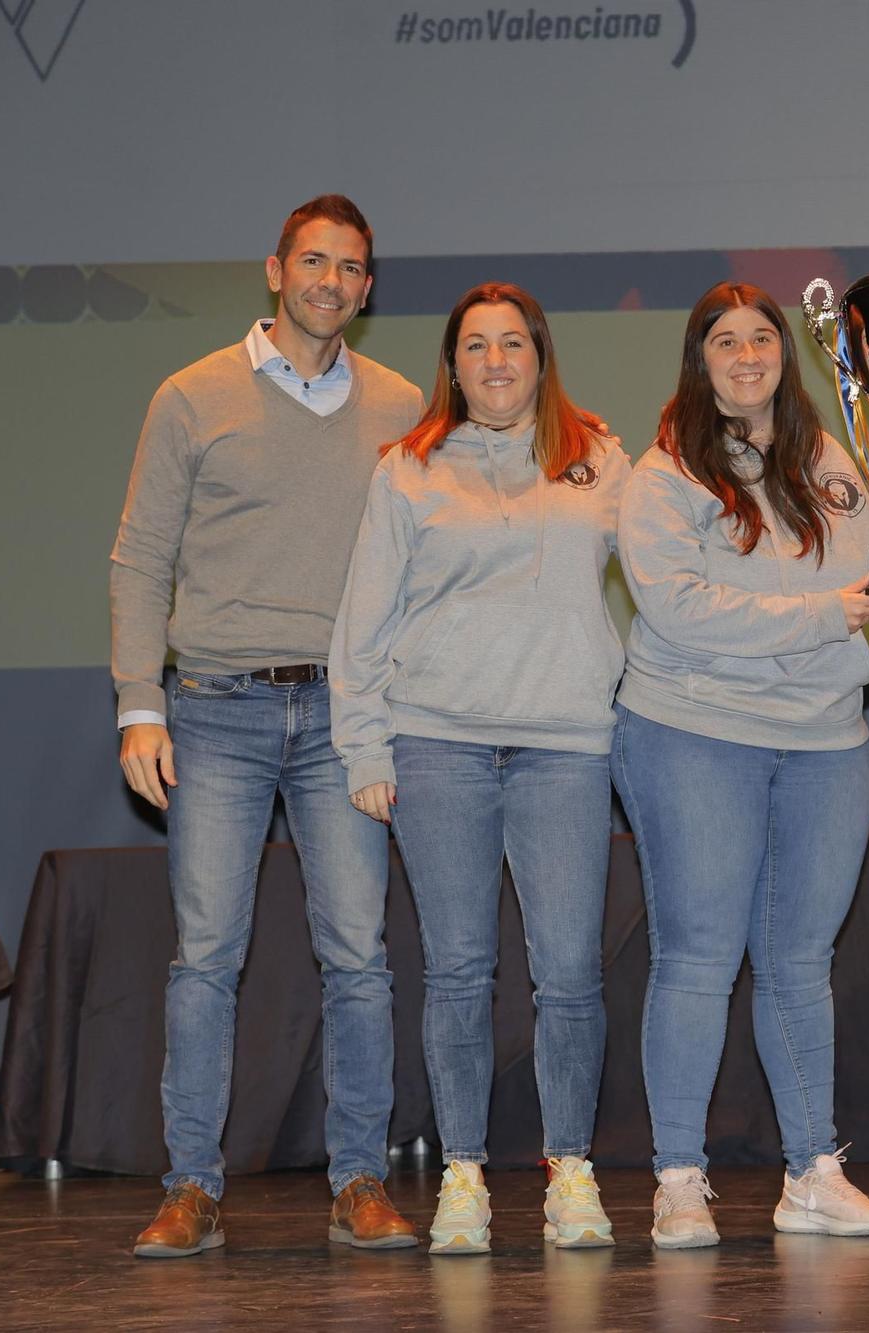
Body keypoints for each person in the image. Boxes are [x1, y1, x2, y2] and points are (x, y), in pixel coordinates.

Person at [111, 195, 424, 1256]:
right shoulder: (192, 395)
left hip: (346, 714)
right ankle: (190, 1185)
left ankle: (360, 1181)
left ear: (367, 287)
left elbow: (436, 555)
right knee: (206, 959)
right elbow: (139, 559)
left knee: (359, 959)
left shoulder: (403, 404)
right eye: (313, 262)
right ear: (274, 271)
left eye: (350, 267)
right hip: (213, 711)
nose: (330, 281)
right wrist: (138, 706)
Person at [330, 283, 629, 1254]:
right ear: (451, 366)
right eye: (475, 346)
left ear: (540, 357)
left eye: (513, 344)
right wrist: (366, 744)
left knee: (571, 973)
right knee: (457, 972)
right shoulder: (408, 469)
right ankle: (461, 1173)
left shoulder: (601, 459)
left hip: (565, 747)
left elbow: (677, 565)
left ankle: (569, 1168)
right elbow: (361, 625)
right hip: (437, 743)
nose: (496, 361)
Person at [611, 282, 869, 1248]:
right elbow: (679, 608)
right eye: (725, 340)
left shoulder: (833, 462)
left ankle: (813, 1171)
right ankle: (681, 1179)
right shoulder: (664, 475)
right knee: (697, 958)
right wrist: (832, 612)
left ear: (787, 351)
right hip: (695, 729)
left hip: (826, 737)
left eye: (763, 337)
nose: (747, 354)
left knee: (799, 962)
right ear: (699, 358)